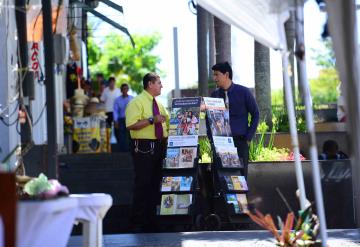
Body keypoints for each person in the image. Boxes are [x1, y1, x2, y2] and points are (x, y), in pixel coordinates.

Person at [125, 72, 169, 232]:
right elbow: (130, 124)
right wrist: (151, 120)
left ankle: (151, 221)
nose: (161, 86)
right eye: (159, 83)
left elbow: (168, 120)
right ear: (150, 84)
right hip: (143, 147)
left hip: (159, 146)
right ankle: (136, 222)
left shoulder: (159, 103)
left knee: (155, 184)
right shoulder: (136, 102)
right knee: (143, 184)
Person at [211, 61, 259, 178]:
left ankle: (242, 196)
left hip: (240, 142)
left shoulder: (244, 92)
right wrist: (211, 139)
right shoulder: (214, 96)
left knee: (241, 179)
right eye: (214, 75)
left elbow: (255, 114)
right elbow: (210, 119)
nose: (214, 78)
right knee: (223, 178)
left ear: (226, 75)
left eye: (217, 74)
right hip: (220, 143)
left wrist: (248, 138)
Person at [113, 83, 133, 152]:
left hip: (130, 119)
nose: (124, 90)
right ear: (121, 90)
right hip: (121, 119)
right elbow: (115, 111)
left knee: (130, 134)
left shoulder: (132, 99)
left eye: (126, 89)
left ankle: (130, 149)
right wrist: (115, 121)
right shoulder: (117, 100)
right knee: (121, 134)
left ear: (128, 89)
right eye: (123, 89)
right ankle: (122, 151)